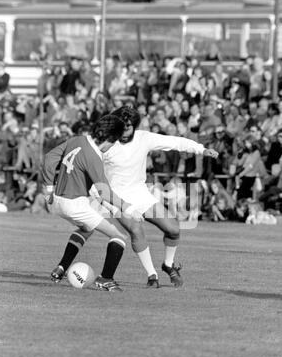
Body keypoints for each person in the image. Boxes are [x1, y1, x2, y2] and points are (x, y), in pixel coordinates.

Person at [98, 106, 218, 288]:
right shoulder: (105, 144)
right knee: (136, 230)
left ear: (135, 126)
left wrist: (201, 150)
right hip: (116, 198)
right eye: (121, 127)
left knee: (174, 229)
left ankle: (168, 265)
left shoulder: (144, 138)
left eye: (128, 127)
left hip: (140, 194)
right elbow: (89, 166)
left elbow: (175, 142)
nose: (124, 131)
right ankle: (152, 275)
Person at [41, 115, 143, 292]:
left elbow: (49, 159)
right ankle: (106, 279)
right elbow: (106, 192)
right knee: (119, 236)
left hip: (58, 201)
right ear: (110, 138)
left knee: (85, 229)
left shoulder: (77, 140)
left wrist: (48, 189)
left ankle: (61, 268)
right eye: (115, 141)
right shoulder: (94, 157)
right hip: (75, 204)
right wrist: (130, 208)